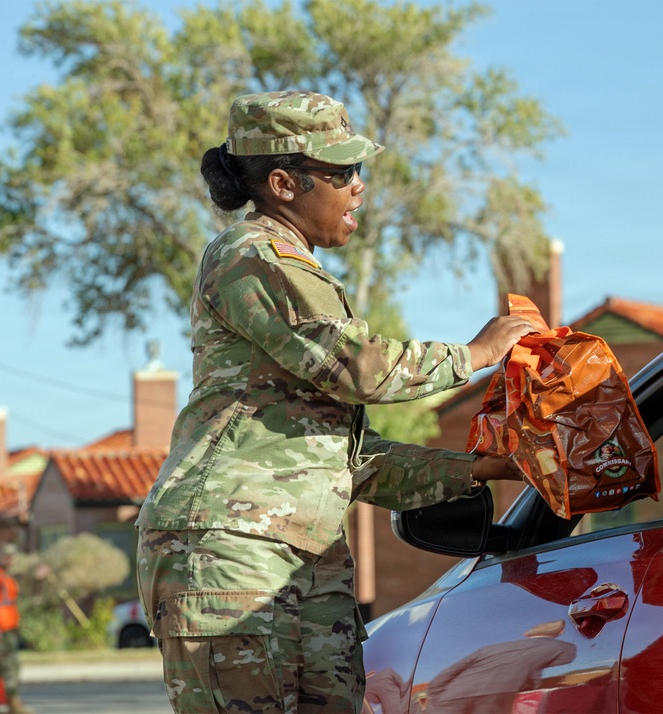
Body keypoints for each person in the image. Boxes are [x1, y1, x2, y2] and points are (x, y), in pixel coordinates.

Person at [135, 90, 535, 714]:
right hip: (229, 552)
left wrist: (481, 467)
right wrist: (476, 354)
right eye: (342, 172)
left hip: (302, 557)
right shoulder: (253, 255)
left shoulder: (298, 272)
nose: (359, 188)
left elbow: (346, 460)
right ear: (282, 184)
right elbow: (361, 369)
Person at [0, 542, 32, 714]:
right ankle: (13, 704)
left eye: (12, 556)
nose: (10, 559)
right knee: (10, 666)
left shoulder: (4, 576)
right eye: (6, 556)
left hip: (5, 629)